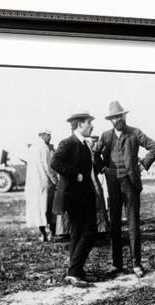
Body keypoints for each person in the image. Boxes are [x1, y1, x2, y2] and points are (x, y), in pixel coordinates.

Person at [93, 101, 155, 277]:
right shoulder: (105, 136)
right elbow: (94, 154)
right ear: (110, 120)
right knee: (114, 223)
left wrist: (142, 165)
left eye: (120, 116)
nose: (117, 120)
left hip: (130, 183)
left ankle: (136, 263)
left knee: (133, 223)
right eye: (114, 117)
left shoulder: (135, 133)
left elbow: (154, 147)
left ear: (124, 116)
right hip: (112, 183)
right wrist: (102, 168)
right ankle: (117, 264)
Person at [51, 110, 97, 287]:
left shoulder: (84, 145)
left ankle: (76, 272)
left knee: (77, 234)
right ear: (79, 125)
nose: (92, 126)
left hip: (83, 196)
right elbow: (55, 162)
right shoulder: (68, 143)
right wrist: (75, 174)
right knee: (89, 233)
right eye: (89, 123)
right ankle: (74, 271)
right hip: (74, 196)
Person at [25, 129, 58, 242]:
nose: (50, 138)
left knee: (38, 209)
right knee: (49, 209)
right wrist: (55, 181)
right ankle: (52, 234)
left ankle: (43, 234)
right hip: (45, 183)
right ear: (43, 135)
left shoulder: (32, 148)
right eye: (49, 136)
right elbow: (48, 167)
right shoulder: (44, 148)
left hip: (34, 185)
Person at [86, 135, 110, 235]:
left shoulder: (92, 154)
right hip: (94, 180)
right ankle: (100, 228)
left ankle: (99, 228)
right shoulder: (92, 155)